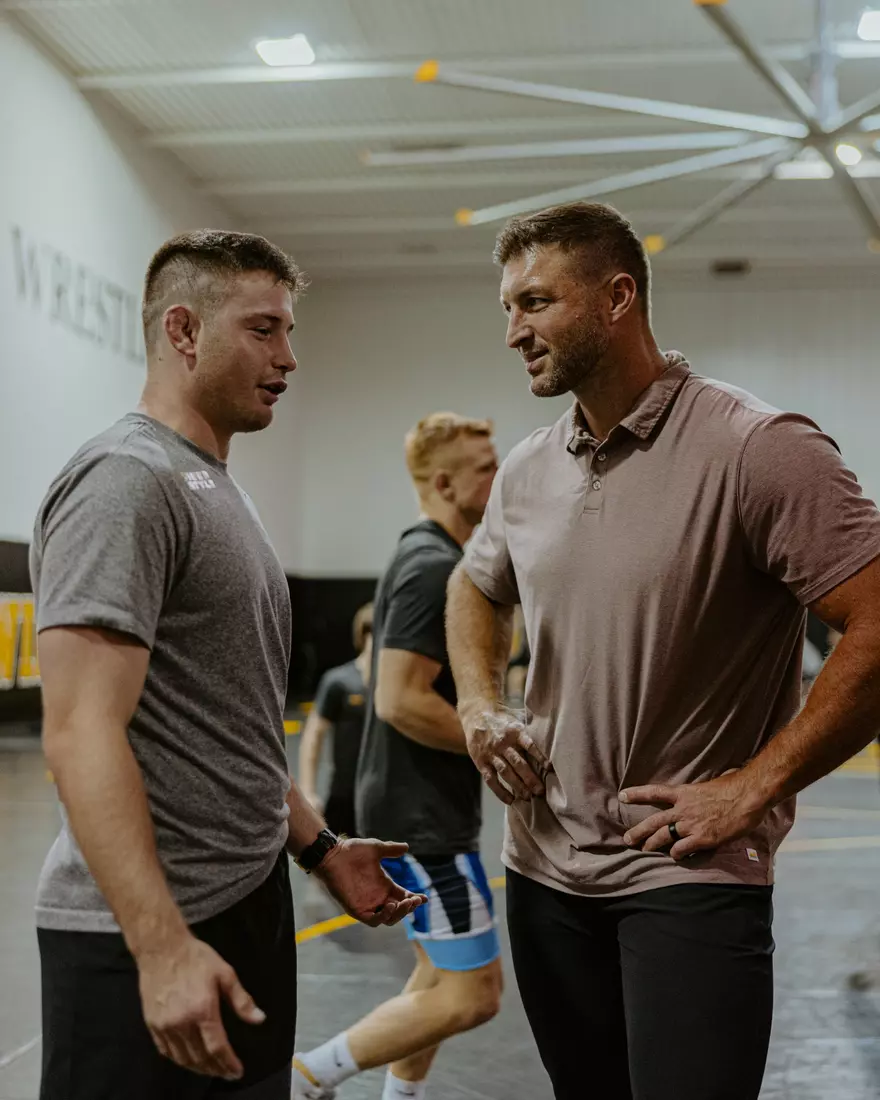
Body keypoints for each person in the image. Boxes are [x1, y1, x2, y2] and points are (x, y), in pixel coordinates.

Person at [445, 201, 880, 1100]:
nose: (513, 332)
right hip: (543, 870)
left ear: (617, 297)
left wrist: (756, 785)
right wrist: (480, 704)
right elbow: (474, 586)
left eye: (534, 304)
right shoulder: (528, 467)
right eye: (507, 309)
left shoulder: (758, 449)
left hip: (688, 874)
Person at [32, 230, 425, 1100]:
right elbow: (78, 733)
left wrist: (320, 849)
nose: (288, 357)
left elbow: (231, 723)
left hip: (244, 906)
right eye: (264, 330)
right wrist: (161, 945)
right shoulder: (124, 481)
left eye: (289, 332)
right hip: (148, 935)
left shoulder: (215, 487)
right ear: (183, 330)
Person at [293, 414, 505, 1100]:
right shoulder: (431, 566)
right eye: (485, 469)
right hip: (424, 818)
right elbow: (398, 699)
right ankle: (307, 1077)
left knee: (437, 981)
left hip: (424, 807)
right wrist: (502, 747)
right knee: (473, 995)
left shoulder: (433, 555)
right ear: (444, 483)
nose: (498, 478)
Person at [298, 603, 373, 837]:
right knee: (335, 866)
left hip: (386, 798)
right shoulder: (339, 682)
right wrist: (308, 792)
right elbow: (313, 735)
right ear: (365, 635)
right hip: (344, 796)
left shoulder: (395, 687)